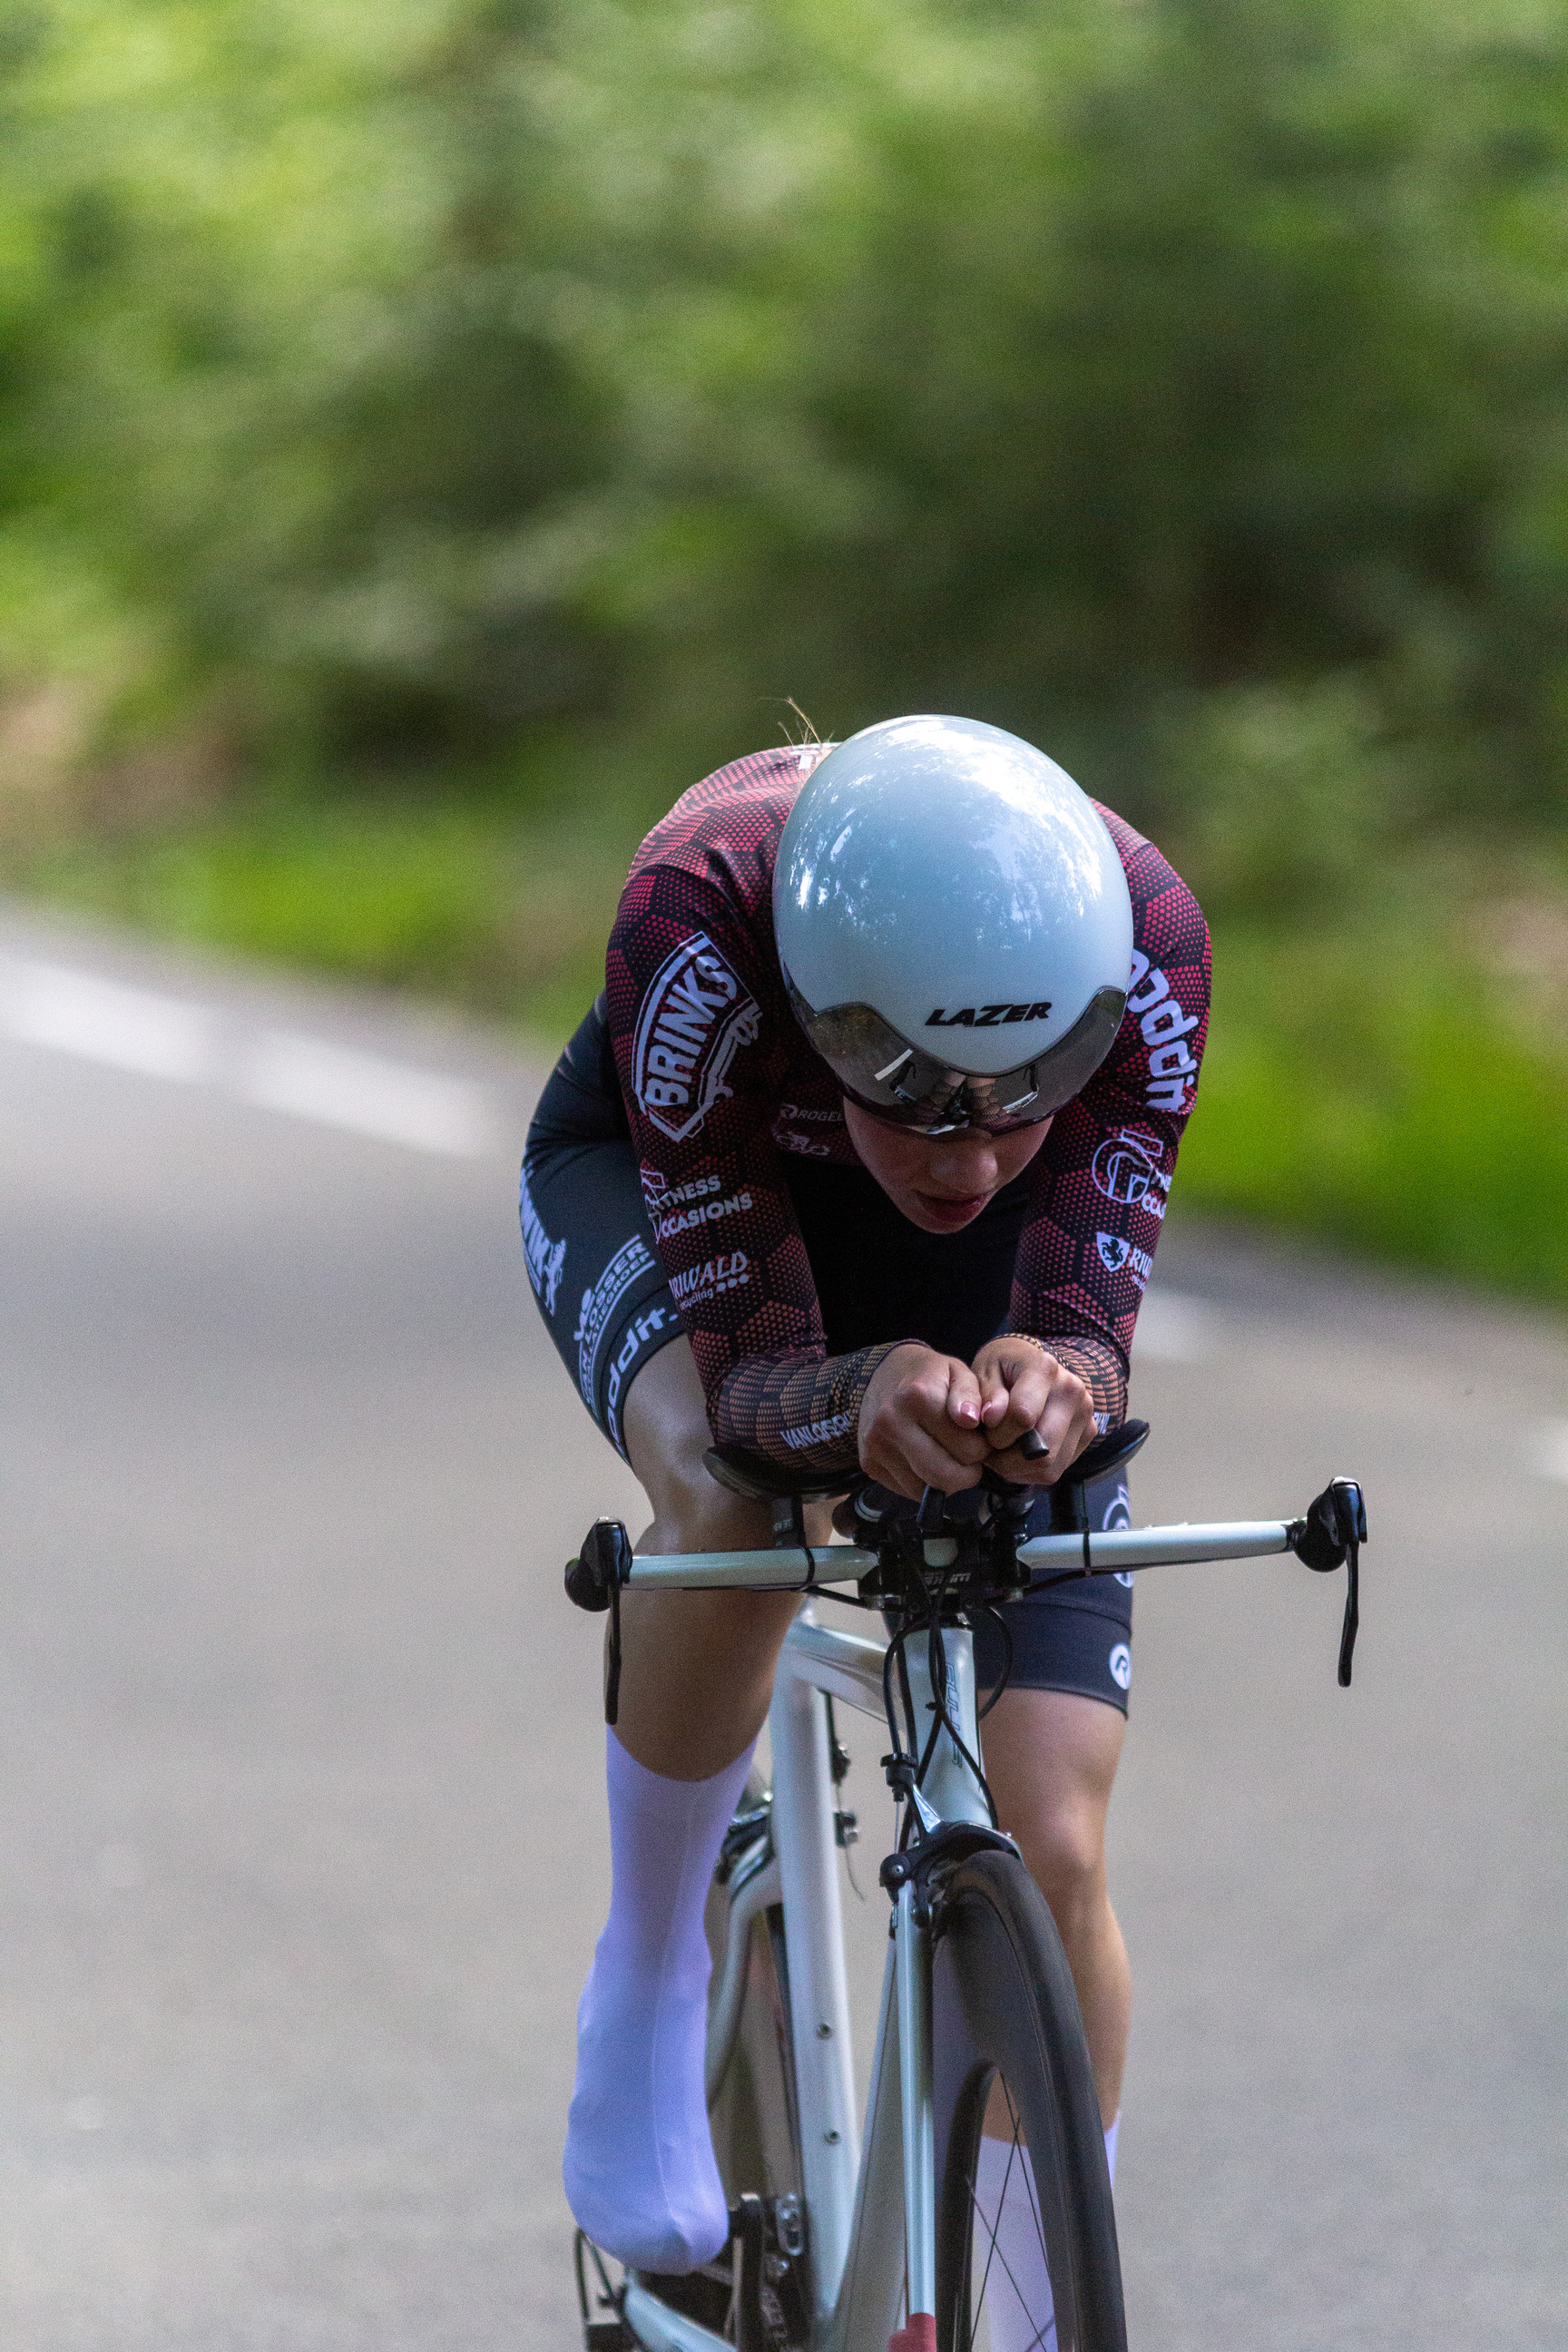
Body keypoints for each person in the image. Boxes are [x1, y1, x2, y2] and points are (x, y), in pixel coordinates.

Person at [521, 713, 1209, 2328]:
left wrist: (1054, 1382)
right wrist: (854, 1390)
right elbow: (762, 1383)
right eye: (918, 1097)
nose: (970, 1150)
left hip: (942, 1279)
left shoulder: (1153, 942)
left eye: (1024, 1095)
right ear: (823, 1015)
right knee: (723, 1486)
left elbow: (1089, 1328)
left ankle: (1044, 2305)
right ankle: (647, 1973)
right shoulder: (699, 909)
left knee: (1053, 1836)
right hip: (682, 1189)